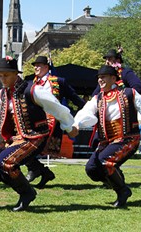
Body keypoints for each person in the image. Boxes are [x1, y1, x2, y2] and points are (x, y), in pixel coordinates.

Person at [0, 57, 78, 211]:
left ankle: (27, 193)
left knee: (5, 162)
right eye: (0, 75)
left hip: (35, 136)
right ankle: (22, 181)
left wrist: (69, 126)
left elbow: (56, 107)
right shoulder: (0, 95)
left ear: (16, 74)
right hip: (15, 139)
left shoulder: (33, 89)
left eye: (6, 75)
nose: (3, 79)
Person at [73, 65, 141, 207]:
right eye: (99, 78)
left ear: (113, 78)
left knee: (105, 162)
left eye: (103, 77)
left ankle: (122, 191)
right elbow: (86, 113)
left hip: (128, 138)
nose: (100, 80)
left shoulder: (129, 93)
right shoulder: (97, 99)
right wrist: (76, 124)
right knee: (91, 169)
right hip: (107, 142)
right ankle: (117, 178)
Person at [24, 56, 85, 188]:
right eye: (35, 65)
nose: (35, 67)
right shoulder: (30, 83)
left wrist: (86, 110)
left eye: (39, 65)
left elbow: (74, 97)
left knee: (31, 148)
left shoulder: (58, 81)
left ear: (47, 67)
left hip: (52, 123)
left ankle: (37, 170)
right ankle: (42, 171)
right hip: (34, 121)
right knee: (25, 147)